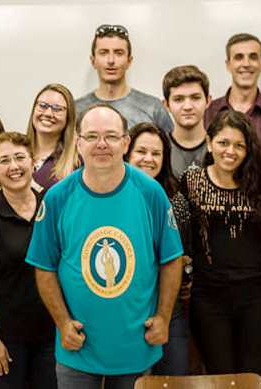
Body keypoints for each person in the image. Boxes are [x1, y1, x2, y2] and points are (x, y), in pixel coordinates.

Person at [27, 104, 183, 389]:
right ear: (78, 142)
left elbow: (171, 259)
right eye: (92, 136)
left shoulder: (151, 193)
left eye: (111, 136)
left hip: (135, 347)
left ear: (125, 143)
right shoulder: (57, 197)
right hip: (77, 349)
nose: (101, 144)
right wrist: (62, 323)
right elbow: (44, 266)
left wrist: (163, 317)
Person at [178, 111, 261, 386]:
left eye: (239, 145)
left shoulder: (260, 181)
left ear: (248, 150)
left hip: (255, 295)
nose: (230, 151)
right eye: (223, 143)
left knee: (255, 375)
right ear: (209, 143)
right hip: (208, 297)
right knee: (221, 376)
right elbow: (181, 236)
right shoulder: (192, 181)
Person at [0, 132, 57, 389]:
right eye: (5, 161)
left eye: (20, 158)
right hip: (5, 338)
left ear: (32, 163)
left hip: (50, 335)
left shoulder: (50, 208)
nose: (14, 166)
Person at [125, 122, 191, 376]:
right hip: (125, 310)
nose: (148, 159)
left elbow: (184, 256)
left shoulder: (175, 201)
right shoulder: (109, 196)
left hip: (168, 309)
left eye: (156, 153)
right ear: (127, 153)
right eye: (141, 152)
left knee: (175, 377)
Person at [74, 24, 174, 133]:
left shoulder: (153, 108)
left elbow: (170, 148)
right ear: (93, 61)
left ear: (129, 61)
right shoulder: (76, 110)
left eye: (119, 53)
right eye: (103, 53)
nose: (111, 60)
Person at [205, 33, 261, 163]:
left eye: (253, 57)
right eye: (239, 57)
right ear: (228, 65)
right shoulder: (208, 111)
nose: (246, 64)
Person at [26, 83, 80, 190]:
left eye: (57, 109)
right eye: (42, 106)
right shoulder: (16, 152)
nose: (48, 113)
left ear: (68, 117)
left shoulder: (78, 161)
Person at [162, 65, 210, 178]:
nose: (187, 106)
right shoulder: (159, 150)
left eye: (195, 98)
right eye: (178, 99)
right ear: (166, 105)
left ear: (208, 101)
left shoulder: (222, 149)